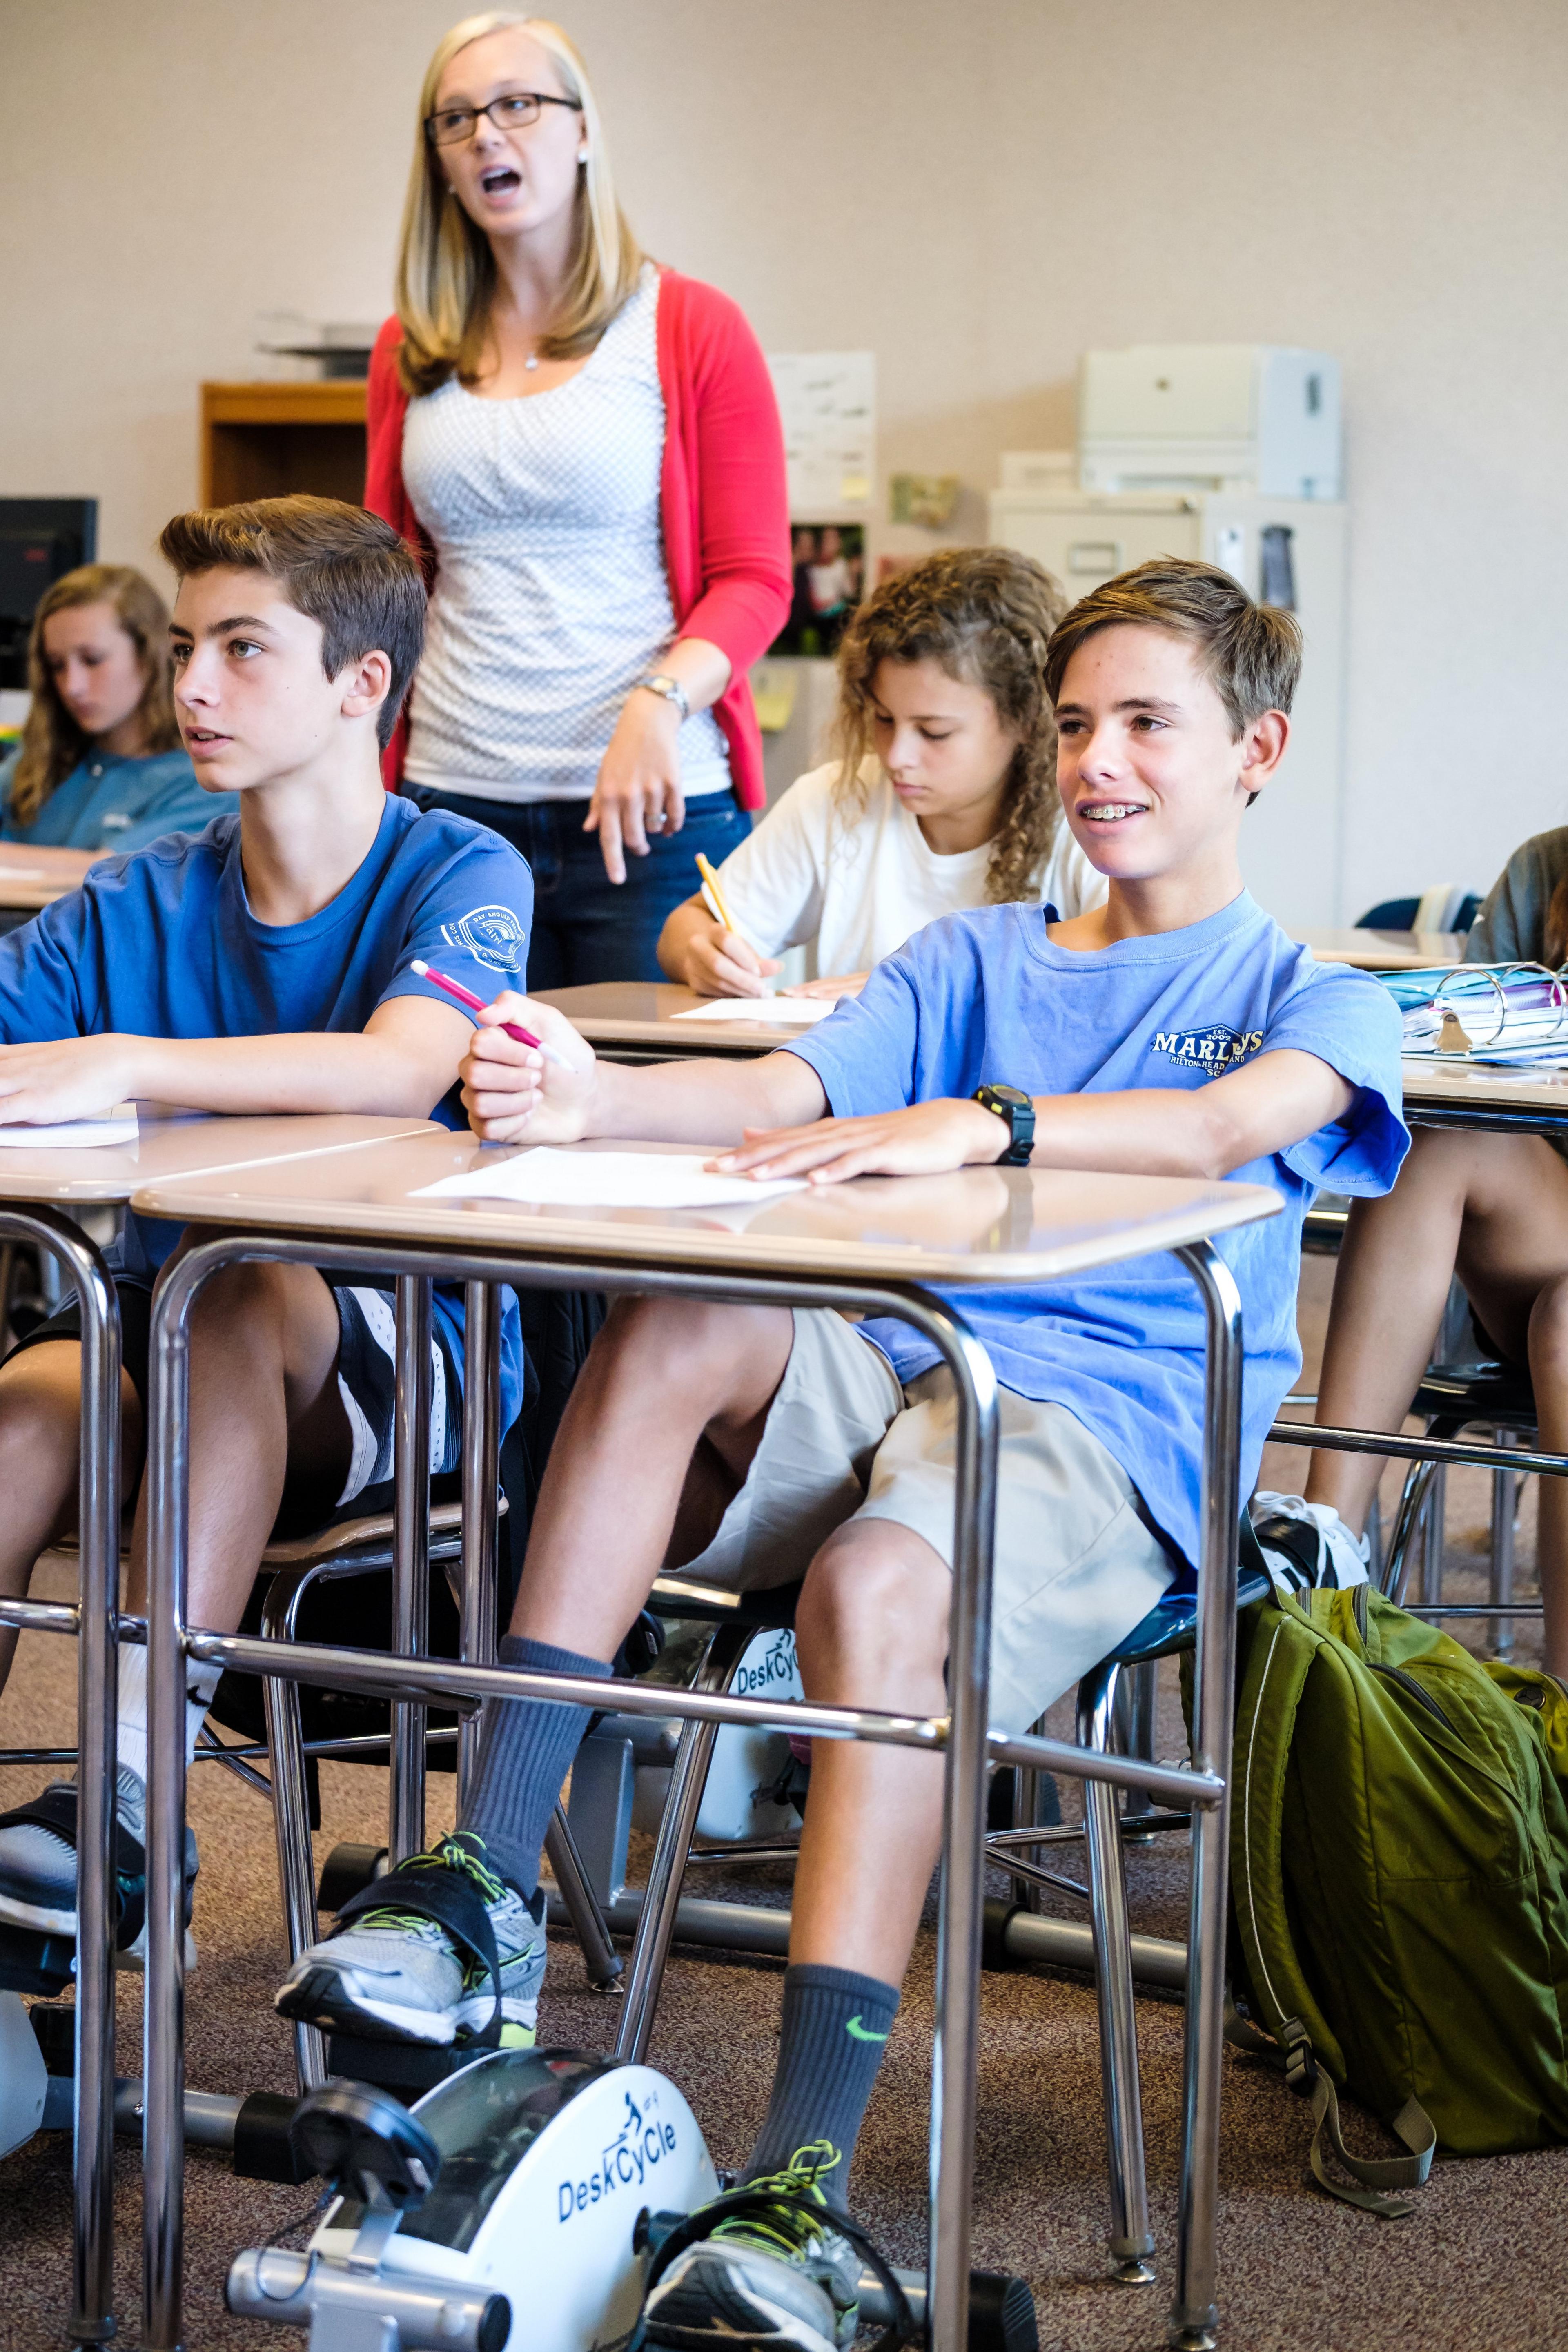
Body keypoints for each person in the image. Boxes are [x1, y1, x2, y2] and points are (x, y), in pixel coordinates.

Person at [275, 557, 1406, 2350]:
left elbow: (1212, 1129)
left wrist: (984, 1121)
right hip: (888, 1359)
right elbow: (778, 1096)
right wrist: (596, 1097)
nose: (1100, 760)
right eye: (1082, 721)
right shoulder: (967, 952)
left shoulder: (1314, 994)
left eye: (1148, 725)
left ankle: (798, 2182)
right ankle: (487, 1880)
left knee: (879, 1582)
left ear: (1252, 750)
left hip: (1091, 1436)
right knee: (669, 1323)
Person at [0, 494, 535, 1987]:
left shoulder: (460, 867)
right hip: (167, 1358)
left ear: (363, 685)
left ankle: (125, 1800)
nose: (194, 689)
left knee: (230, 1292)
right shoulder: (135, 897)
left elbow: (399, 1065)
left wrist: (122, 1063)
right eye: (187, 648)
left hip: (399, 1372)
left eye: (244, 649)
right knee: (31, 1403)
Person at [365, 11, 791, 987]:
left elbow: (755, 579)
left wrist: (657, 701)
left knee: (645, 1121)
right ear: (437, 159)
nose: (487, 136)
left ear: (584, 128)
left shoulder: (688, 326)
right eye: (457, 119)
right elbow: (381, 576)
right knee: (452, 1111)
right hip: (451, 808)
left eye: (519, 104)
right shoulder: (409, 346)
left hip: (649, 815)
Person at [1304, 830, 1568, 1671]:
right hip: (1543, 1222)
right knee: (1438, 1134)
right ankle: (1323, 1565)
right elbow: (1458, 1054)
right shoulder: (1548, 868)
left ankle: (1560, 1719)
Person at [658, 548, 1105, 1002]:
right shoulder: (836, 798)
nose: (896, 756)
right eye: (884, 719)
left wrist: (919, 986)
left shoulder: (1084, 817)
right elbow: (684, 930)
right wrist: (702, 953)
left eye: (934, 732)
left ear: (1026, 720)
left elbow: (1130, 972)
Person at [0, 564, 236, 854]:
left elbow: (108, 875)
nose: (72, 686)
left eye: (92, 660)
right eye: (57, 665)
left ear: (148, 656)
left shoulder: (202, 780)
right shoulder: (33, 763)